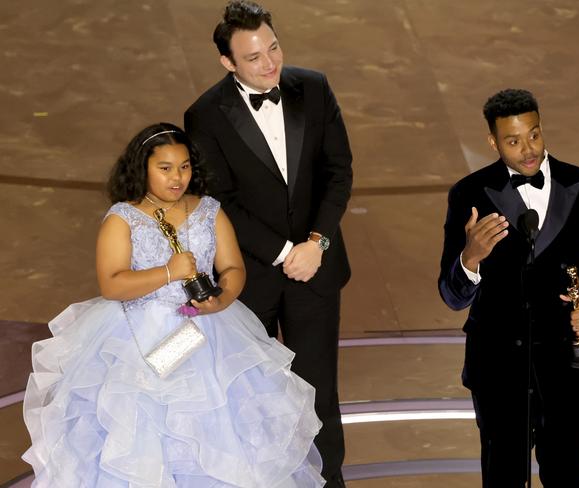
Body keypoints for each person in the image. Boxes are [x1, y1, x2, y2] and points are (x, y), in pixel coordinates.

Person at [22, 122, 325, 487]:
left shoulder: (209, 210)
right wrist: (167, 272)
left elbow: (232, 267)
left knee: (216, 429)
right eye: (164, 168)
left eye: (184, 166)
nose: (177, 177)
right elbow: (113, 283)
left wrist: (222, 298)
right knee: (147, 430)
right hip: (139, 339)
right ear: (142, 168)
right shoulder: (123, 218)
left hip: (208, 333)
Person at [184, 2, 352, 486]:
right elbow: (222, 201)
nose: (270, 63)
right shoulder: (204, 115)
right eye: (254, 57)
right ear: (228, 63)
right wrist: (284, 252)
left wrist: (316, 243)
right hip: (251, 276)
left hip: (316, 269)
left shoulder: (314, 88)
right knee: (252, 396)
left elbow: (338, 172)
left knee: (319, 392)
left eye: (273, 47)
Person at [438, 89, 579, 487]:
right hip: (498, 369)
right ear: (493, 142)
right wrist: (470, 257)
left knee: (568, 476)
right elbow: (452, 295)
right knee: (503, 477)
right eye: (513, 141)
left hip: (569, 366)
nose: (528, 150)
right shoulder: (469, 194)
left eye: (535, 135)